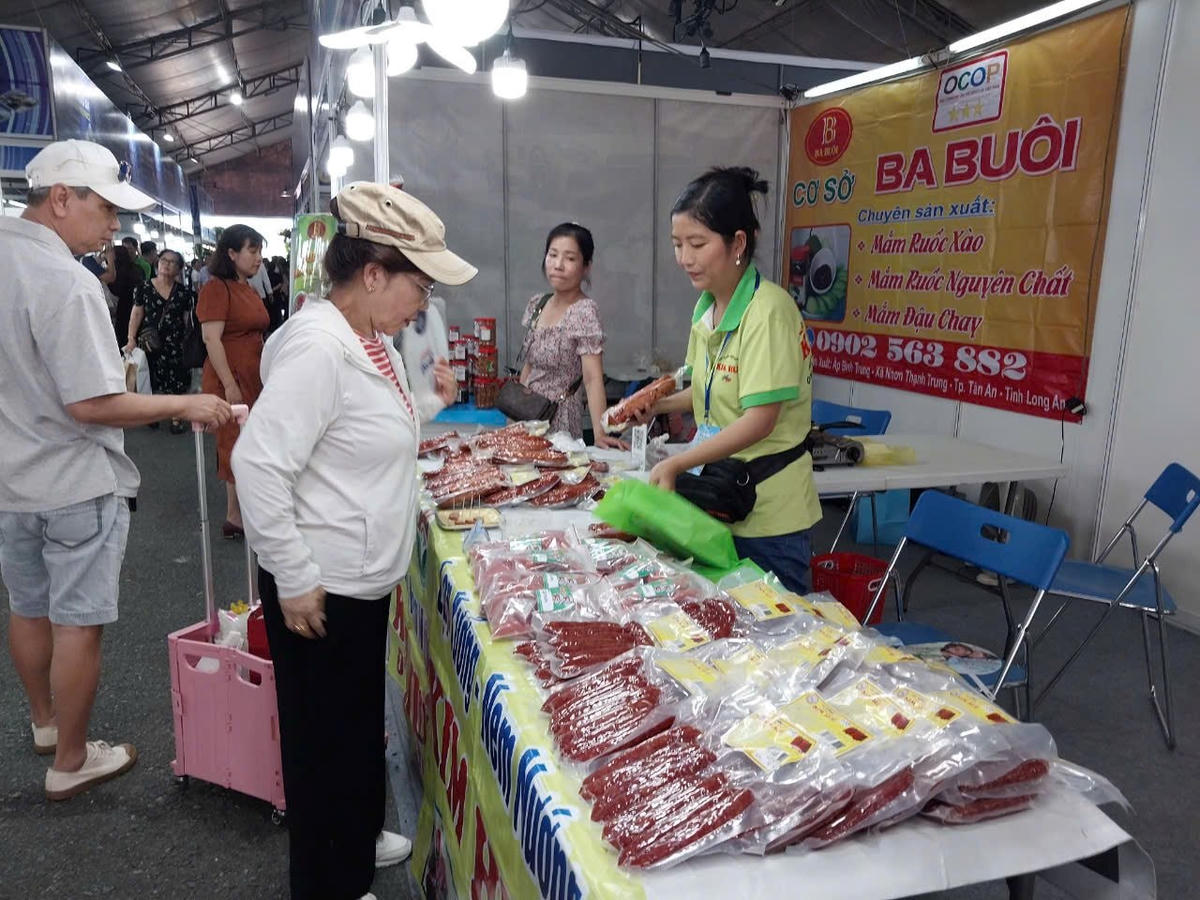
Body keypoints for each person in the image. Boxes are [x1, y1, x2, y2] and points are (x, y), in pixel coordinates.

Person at [232, 181, 469, 900]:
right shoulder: (320, 348)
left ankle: (357, 841)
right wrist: (295, 573)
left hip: (358, 579)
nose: (422, 304)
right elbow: (259, 463)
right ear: (372, 275)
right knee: (321, 747)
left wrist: (432, 404)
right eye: (417, 286)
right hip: (322, 586)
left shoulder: (372, 341)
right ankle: (329, 881)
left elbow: (367, 429)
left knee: (355, 724)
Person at [0, 139, 231, 801]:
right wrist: (189, 399)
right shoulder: (67, 282)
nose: (116, 225)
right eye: (105, 207)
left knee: (27, 607)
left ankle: (47, 723)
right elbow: (92, 402)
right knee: (76, 623)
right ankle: (71, 760)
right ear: (62, 198)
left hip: (11, 476)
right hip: (71, 477)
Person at [643, 167, 821, 592]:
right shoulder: (707, 308)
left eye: (697, 244)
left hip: (770, 514)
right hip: (721, 500)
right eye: (677, 244)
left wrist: (678, 462)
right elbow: (705, 391)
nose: (684, 258)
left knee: (776, 636)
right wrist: (657, 405)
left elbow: (760, 418)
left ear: (737, 242)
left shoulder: (769, 312)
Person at [515, 223, 626, 448]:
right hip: (527, 416)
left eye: (570, 258)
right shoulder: (537, 304)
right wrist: (515, 417)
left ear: (586, 267)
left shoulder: (584, 311)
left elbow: (593, 378)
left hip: (560, 419)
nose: (558, 265)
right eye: (553, 255)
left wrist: (600, 434)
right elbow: (528, 366)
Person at [197, 224, 269, 539]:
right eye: (252, 251)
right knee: (233, 440)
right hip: (232, 376)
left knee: (248, 439)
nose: (259, 259)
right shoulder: (217, 288)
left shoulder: (246, 288)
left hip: (251, 374)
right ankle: (234, 515)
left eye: (259, 252)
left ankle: (243, 511)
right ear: (231, 253)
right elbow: (211, 339)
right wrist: (228, 383)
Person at [124, 249, 195, 432]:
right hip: (150, 343)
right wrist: (131, 338)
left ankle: (176, 418)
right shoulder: (144, 288)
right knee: (151, 378)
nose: (167, 264)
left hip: (175, 343)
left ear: (179, 269)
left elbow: (188, 320)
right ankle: (153, 413)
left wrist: (189, 341)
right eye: (164, 260)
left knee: (177, 380)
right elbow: (137, 313)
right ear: (158, 263)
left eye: (172, 262)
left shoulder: (185, 293)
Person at [108, 242, 143, 347]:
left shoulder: (115, 273)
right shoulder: (137, 269)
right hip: (138, 308)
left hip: (122, 309)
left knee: (123, 341)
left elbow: (115, 291)